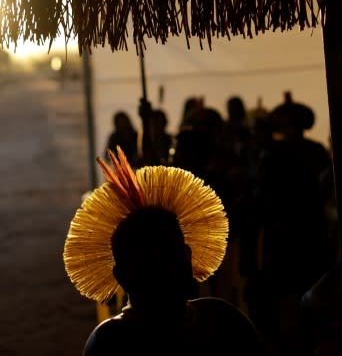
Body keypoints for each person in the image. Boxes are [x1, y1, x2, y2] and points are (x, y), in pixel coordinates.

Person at [64, 148, 263, 356]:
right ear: (123, 276)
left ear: (188, 254)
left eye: (173, 254)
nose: (167, 270)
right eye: (151, 264)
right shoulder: (109, 343)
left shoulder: (224, 320)